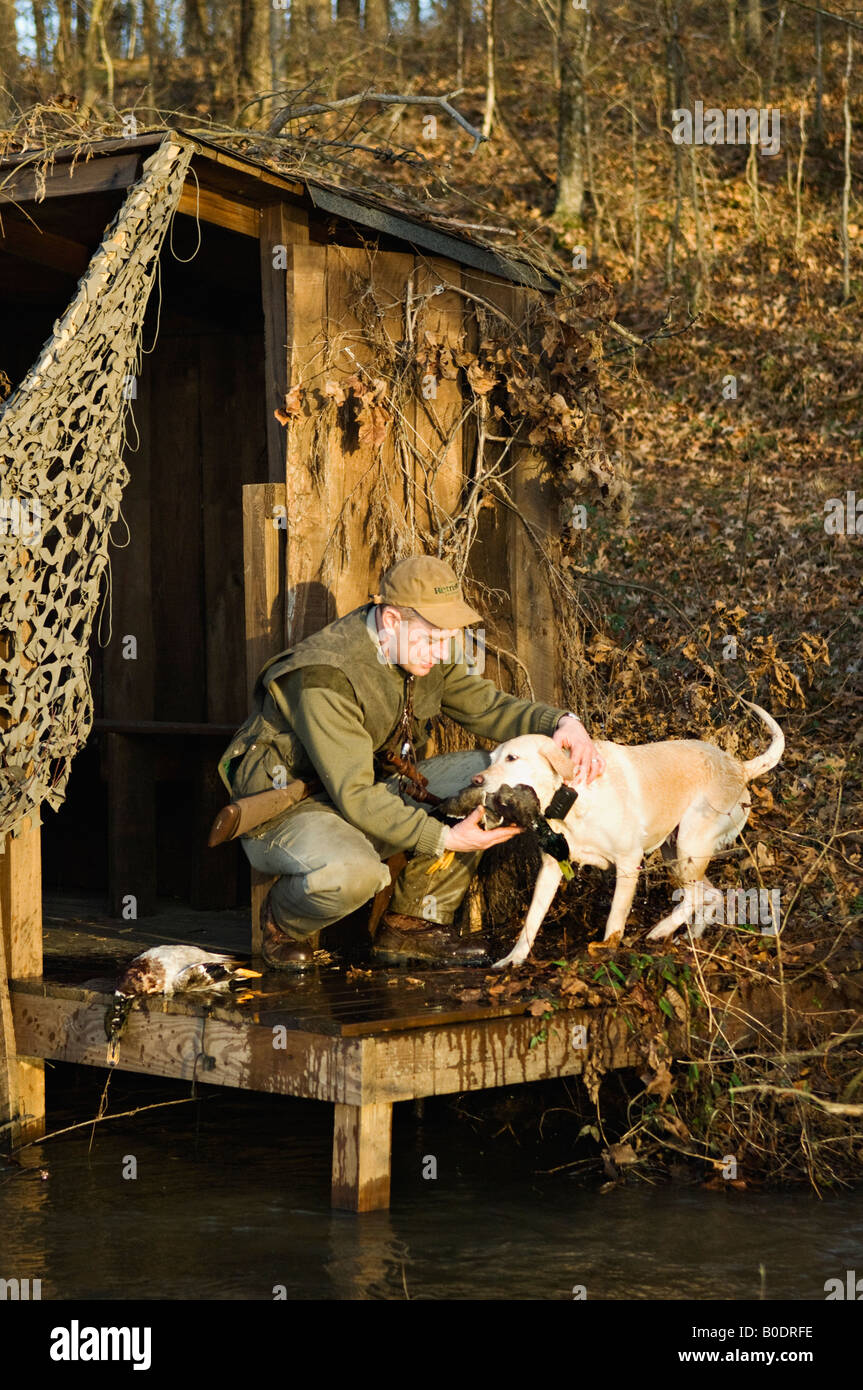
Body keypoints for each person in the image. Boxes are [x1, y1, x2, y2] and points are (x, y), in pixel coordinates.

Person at [217, 555, 604, 970]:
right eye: (433, 639)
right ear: (391, 621)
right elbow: (357, 794)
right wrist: (446, 839)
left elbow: (486, 706)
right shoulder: (324, 676)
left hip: (359, 795)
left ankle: (412, 925)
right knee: (356, 874)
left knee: (486, 779)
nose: (442, 652)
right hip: (290, 810)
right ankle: (282, 922)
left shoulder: (416, 650)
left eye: (449, 638)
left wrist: (562, 721)